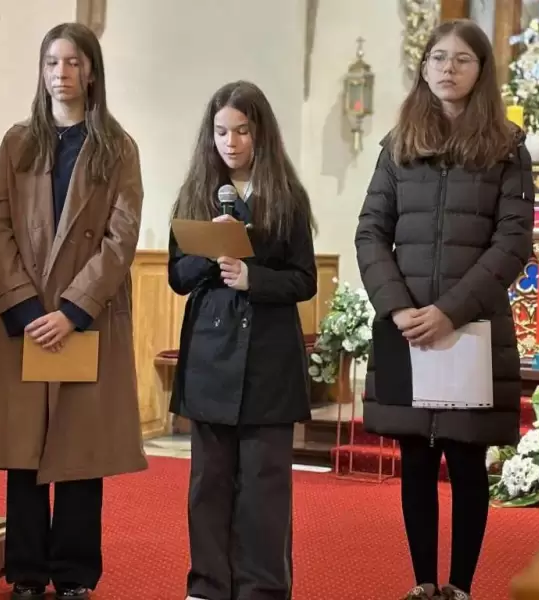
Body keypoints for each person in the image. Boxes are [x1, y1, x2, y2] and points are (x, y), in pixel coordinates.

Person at [0, 22, 147, 600]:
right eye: (51, 63)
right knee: (24, 451)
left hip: (83, 320)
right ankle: (25, 571)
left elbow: (121, 238)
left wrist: (72, 309)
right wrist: (24, 306)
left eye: (72, 62)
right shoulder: (18, 142)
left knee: (77, 452)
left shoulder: (118, 148)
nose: (60, 73)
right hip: (25, 319)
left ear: (91, 72)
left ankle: (73, 574)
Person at [355, 20, 534, 600]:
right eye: (437, 57)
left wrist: (450, 312)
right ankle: (422, 583)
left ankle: (459, 586)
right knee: (414, 457)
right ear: (424, 67)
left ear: (481, 71)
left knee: (464, 459)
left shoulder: (506, 147)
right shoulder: (398, 144)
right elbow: (370, 232)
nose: (447, 68)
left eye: (461, 59)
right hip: (406, 326)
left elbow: (512, 242)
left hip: (471, 329)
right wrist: (397, 307)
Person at [168, 80, 317, 600]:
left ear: (261, 134)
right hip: (211, 354)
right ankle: (207, 587)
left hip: (268, 358)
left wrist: (255, 278)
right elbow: (177, 276)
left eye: (241, 131)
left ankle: (262, 589)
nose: (230, 142)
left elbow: (304, 280)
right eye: (221, 132)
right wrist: (210, 253)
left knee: (263, 486)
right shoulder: (196, 194)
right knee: (208, 484)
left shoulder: (286, 197)